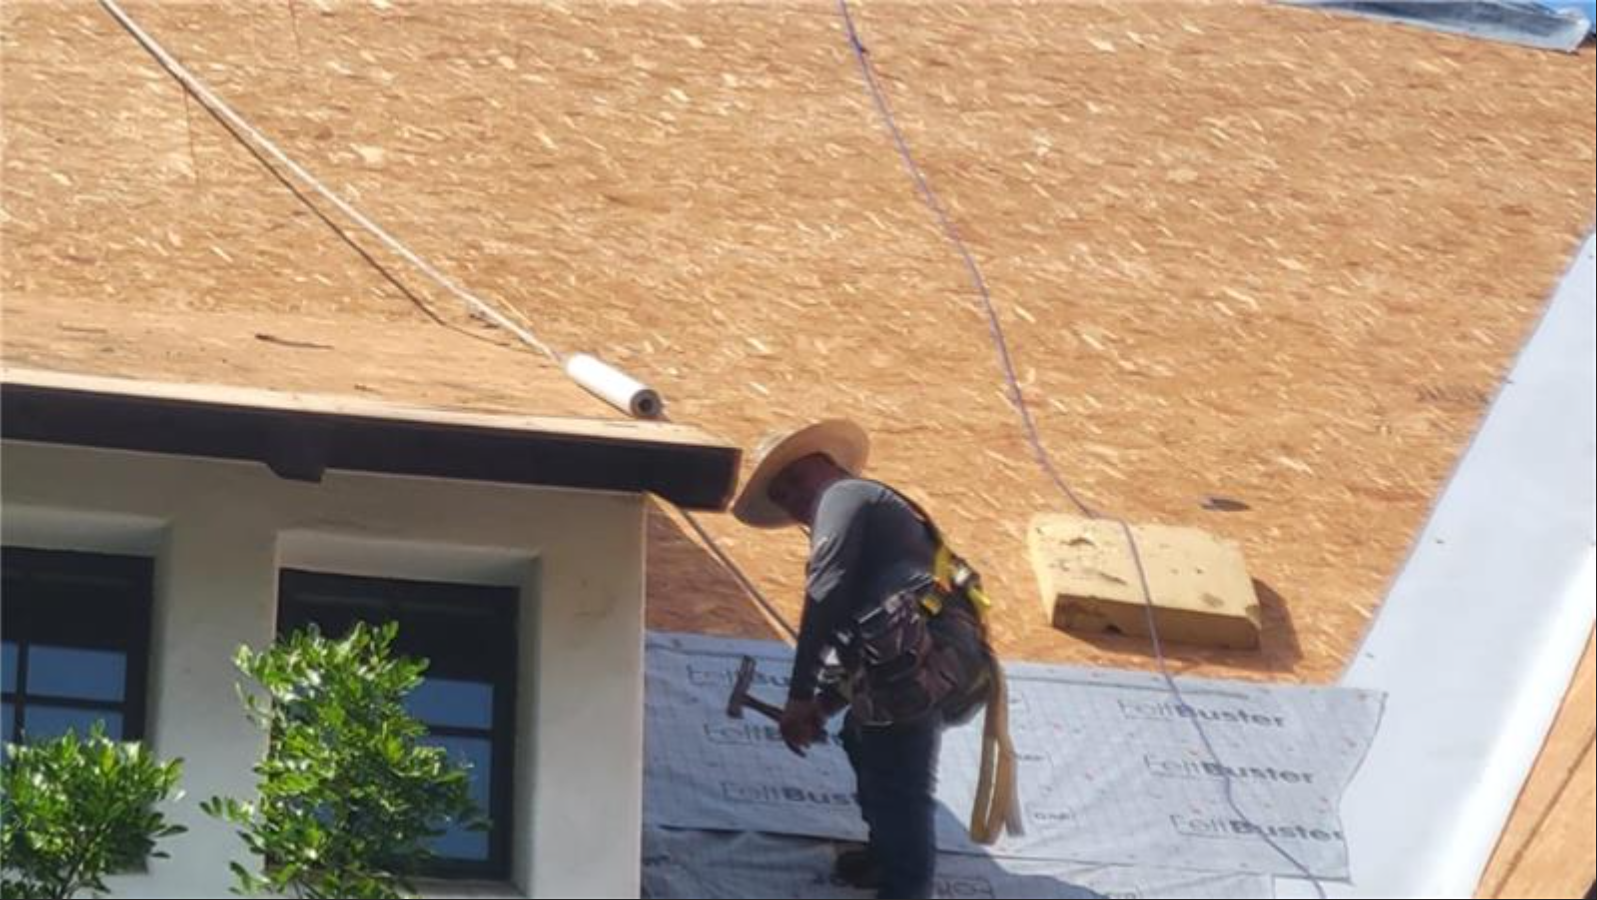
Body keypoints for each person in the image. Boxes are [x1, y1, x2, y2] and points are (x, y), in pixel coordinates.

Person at [732, 420, 997, 900]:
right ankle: (887, 856)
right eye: (781, 494)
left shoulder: (845, 496)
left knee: (897, 775)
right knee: (862, 737)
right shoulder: (858, 519)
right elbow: (862, 635)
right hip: (910, 652)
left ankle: (906, 888)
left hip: (929, 653)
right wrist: (824, 705)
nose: (792, 497)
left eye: (796, 479)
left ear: (828, 464)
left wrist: (799, 696)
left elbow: (826, 595)